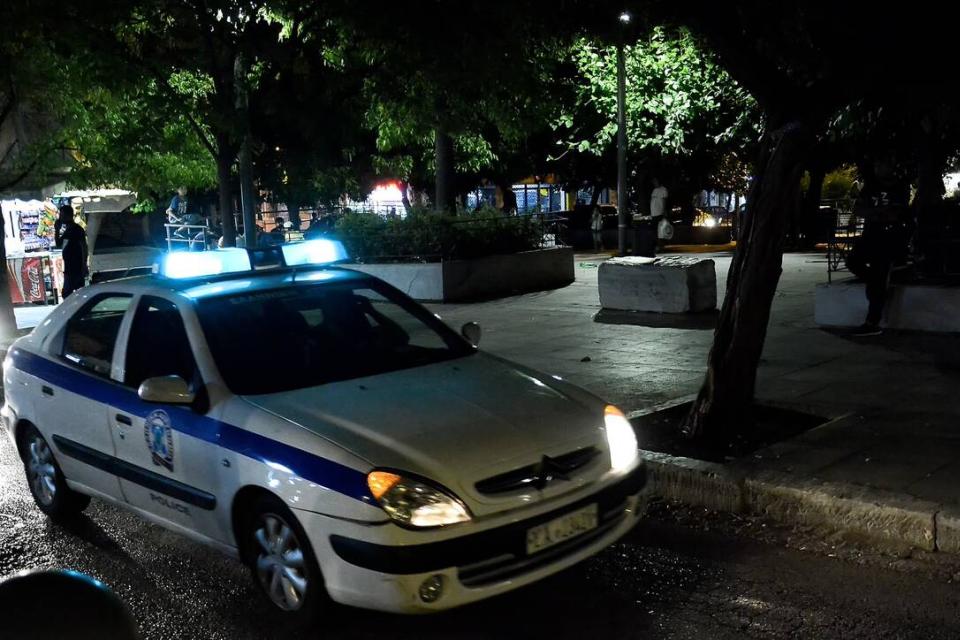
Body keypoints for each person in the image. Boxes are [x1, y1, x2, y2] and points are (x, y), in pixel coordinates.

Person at [845, 204, 913, 336]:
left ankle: (872, 323)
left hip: (886, 249)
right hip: (875, 245)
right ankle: (872, 322)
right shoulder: (878, 221)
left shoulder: (897, 225)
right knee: (873, 280)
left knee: (878, 283)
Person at [54, 204, 87, 298]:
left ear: (68, 216)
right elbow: (59, 243)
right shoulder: (69, 230)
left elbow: (84, 247)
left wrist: (84, 265)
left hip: (75, 267)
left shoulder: (76, 230)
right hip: (70, 266)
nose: (60, 218)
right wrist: (57, 230)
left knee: (70, 293)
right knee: (71, 292)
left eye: (62, 215)